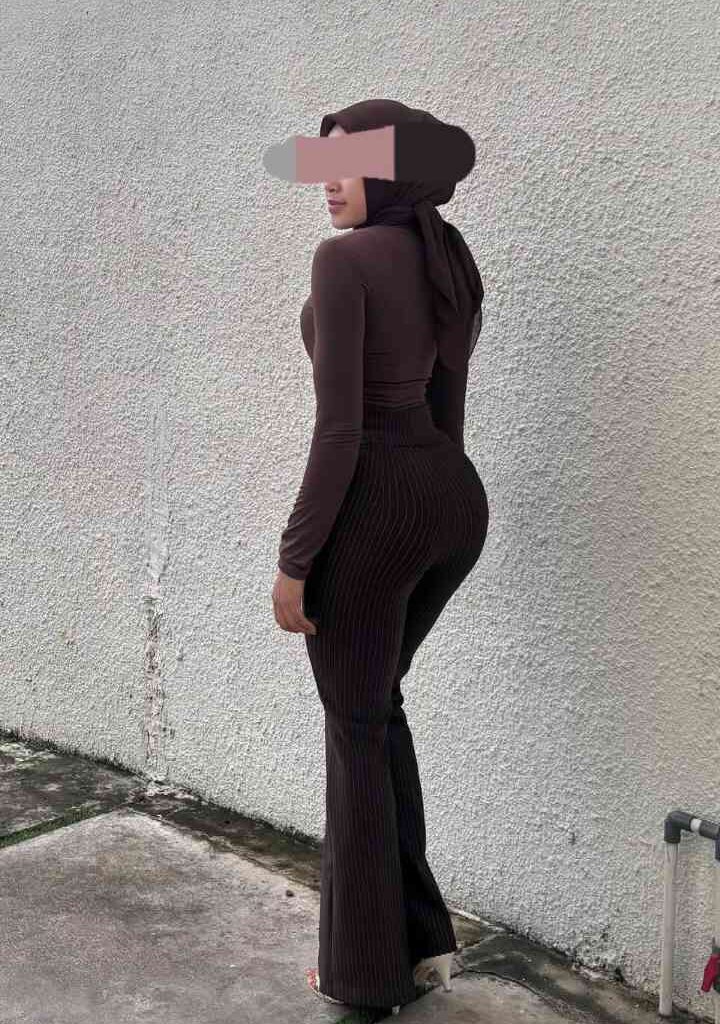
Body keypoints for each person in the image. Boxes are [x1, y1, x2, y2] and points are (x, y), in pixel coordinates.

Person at [272, 98, 490, 1016]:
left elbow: (339, 432)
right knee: (378, 708)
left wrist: (295, 560)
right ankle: (423, 941)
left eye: (348, 163)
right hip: (452, 500)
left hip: (377, 509)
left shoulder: (346, 261)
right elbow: (448, 408)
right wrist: (435, 503)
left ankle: (362, 975)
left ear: (393, 169)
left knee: (354, 730)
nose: (326, 182)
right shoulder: (448, 255)